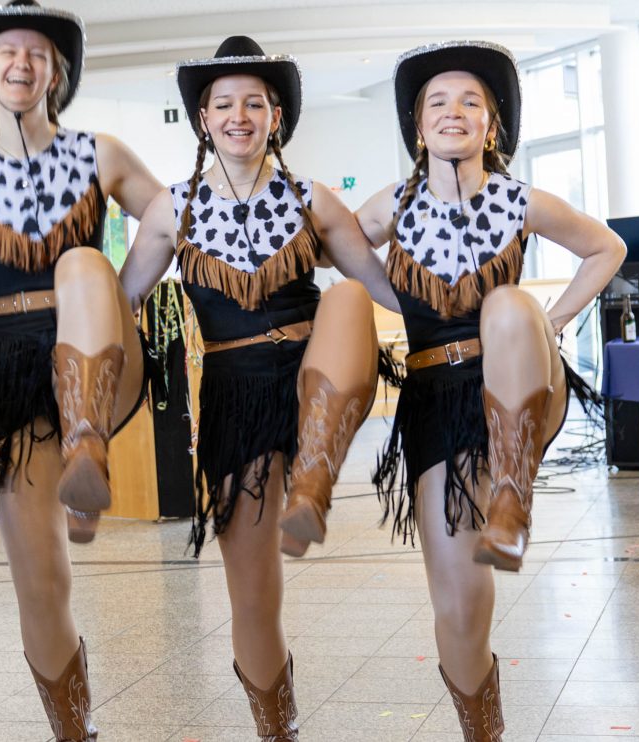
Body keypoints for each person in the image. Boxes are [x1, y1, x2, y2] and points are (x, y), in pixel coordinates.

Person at [119, 36, 398, 741]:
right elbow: (119, 301)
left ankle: (315, 478)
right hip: (233, 397)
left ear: (276, 115)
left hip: (317, 379)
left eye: (254, 102)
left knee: (342, 302)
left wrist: (476, 320)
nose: (238, 115)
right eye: (223, 104)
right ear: (202, 119)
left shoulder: (314, 199)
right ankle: (278, 728)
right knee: (252, 595)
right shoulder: (169, 209)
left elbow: (386, 291)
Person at [356, 41, 625, 739]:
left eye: (470, 101)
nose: (453, 112)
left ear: (492, 126)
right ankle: (485, 728)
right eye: (436, 103)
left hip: (519, 381)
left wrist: (555, 320)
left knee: (508, 307)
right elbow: (340, 251)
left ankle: (514, 493)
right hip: (434, 399)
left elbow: (607, 248)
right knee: (457, 606)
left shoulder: (520, 198)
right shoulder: (391, 205)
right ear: (418, 126)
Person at [0, 2, 159, 737]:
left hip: (96, 350)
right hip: (10, 364)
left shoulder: (101, 151)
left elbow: (171, 215)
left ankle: (89, 449)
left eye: (39, 53)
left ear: (59, 72)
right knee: (42, 581)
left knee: (84, 261)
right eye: (6, 53)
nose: (22, 63)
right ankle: (74, 730)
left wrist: (124, 296)